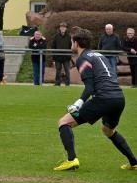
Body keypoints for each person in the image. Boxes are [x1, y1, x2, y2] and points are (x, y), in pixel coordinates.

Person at [53, 28, 137, 171]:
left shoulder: (83, 58)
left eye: (72, 41)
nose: (71, 44)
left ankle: (71, 160)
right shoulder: (98, 54)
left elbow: (90, 87)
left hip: (103, 99)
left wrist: (78, 104)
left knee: (64, 122)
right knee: (108, 130)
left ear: (77, 43)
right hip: (118, 98)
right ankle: (134, 162)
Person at [51, 22, 72, 86]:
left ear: (66, 28)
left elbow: (71, 46)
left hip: (66, 57)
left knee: (67, 71)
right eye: (61, 27)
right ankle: (57, 83)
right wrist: (54, 56)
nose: (63, 28)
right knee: (58, 71)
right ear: (60, 28)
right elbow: (53, 46)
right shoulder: (56, 36)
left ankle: (67, 83)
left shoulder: (69, 37)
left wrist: (69, 55)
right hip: (58, 57)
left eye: (64, 27)